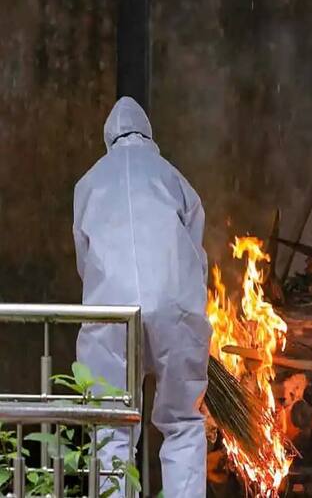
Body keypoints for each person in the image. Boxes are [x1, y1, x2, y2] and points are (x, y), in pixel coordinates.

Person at [74, 97, 210, 497]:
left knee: (112, 426)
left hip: (111, 314)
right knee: (183, 423)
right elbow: (195, 258)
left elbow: (86, 261)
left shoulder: (89, 183)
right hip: (175, 310)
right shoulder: (173, 178)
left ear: (108, 140)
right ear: (150, 136)